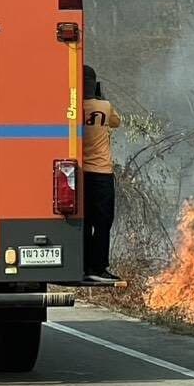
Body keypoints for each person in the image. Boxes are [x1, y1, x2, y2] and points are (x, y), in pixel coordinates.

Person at [81, 65, 121, 284]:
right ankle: (99, 267)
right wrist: (101, 97)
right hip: (101, 173)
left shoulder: (73, 107)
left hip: (81, 173)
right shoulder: (104, 106)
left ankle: (85, 265)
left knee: (85, 221)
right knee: (104, 222)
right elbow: (117, 122)